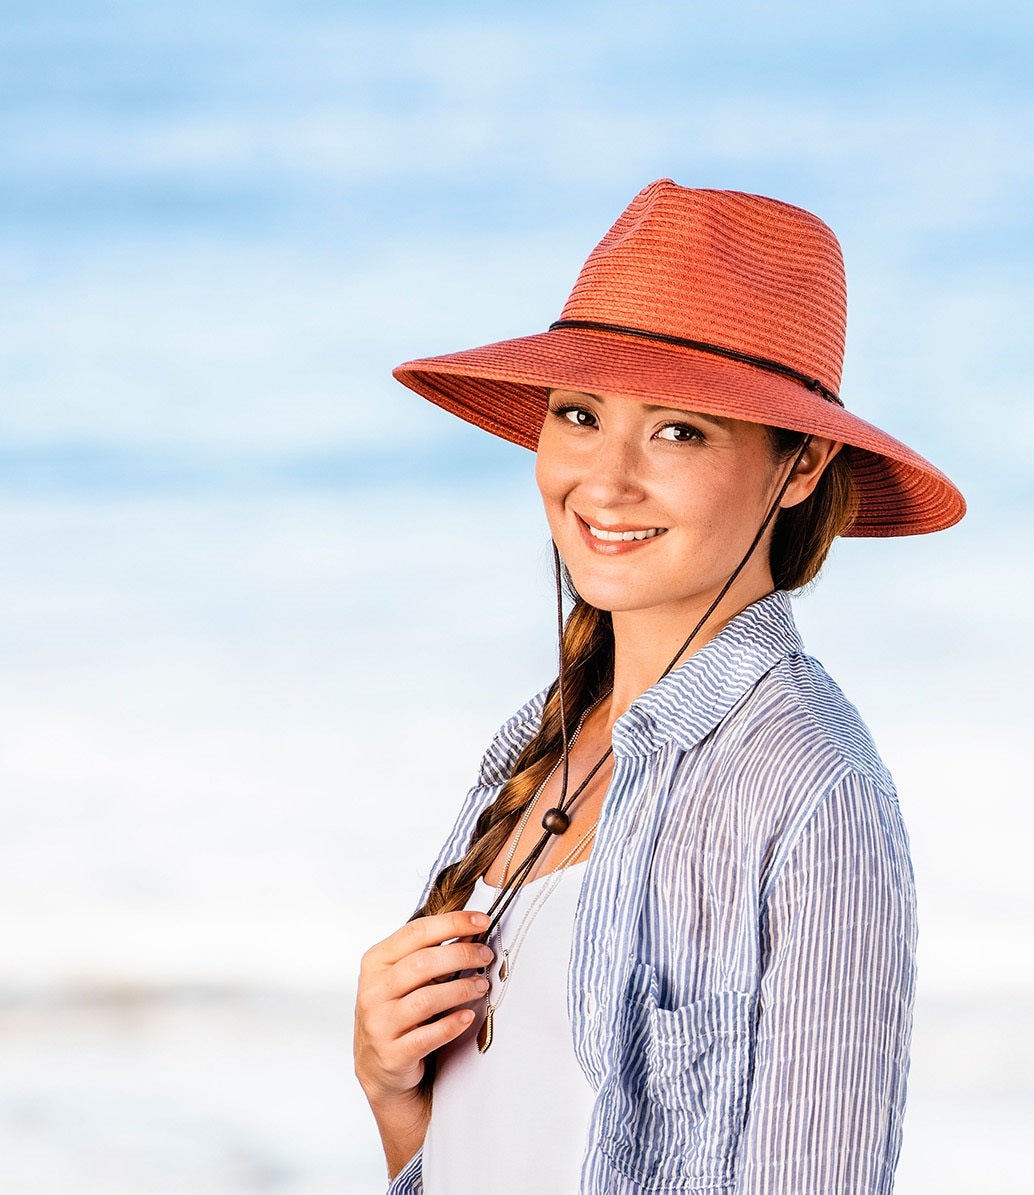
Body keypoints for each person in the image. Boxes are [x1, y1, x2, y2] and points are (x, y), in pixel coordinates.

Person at [348, 178, 966, 1194]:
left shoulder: (813, 792)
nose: (604, 479)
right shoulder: (538, 745)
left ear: (801, 463)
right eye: (580, 414)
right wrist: (394, 1096)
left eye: (679, 431)